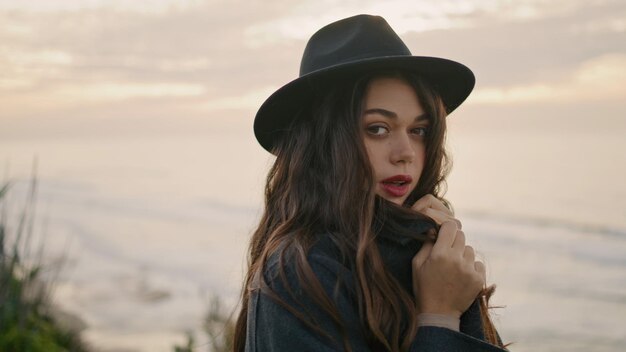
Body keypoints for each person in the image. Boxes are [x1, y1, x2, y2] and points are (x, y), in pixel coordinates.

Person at [234, 14, 508, 352]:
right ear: (323, 143)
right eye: (377, 128)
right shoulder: (297, 276)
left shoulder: (426, 251)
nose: (405, 153)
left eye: (418, 130)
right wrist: (439, 317)